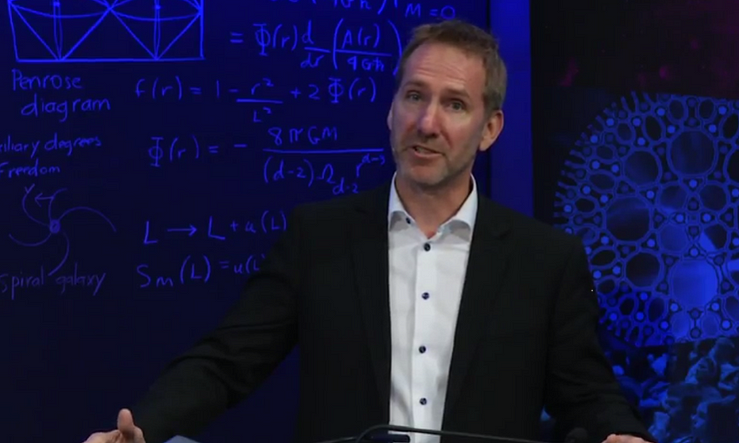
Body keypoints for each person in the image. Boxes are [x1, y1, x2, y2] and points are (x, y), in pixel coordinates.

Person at [84, 19, 656, 443]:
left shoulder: (545, 260)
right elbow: (228, 361)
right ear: (391, 110)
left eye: (455, 105)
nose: (426, 123)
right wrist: (144, 429)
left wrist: (622, 433)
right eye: (414, 96)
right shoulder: (319, 237)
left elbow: (587, 391)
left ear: (490, 129)